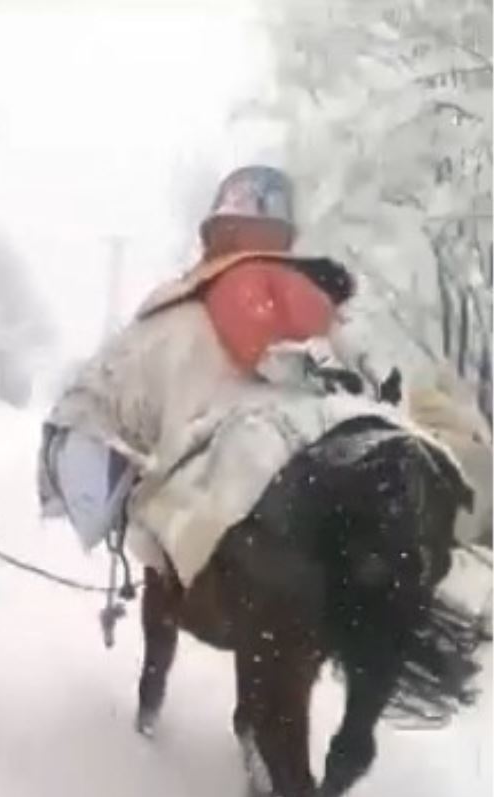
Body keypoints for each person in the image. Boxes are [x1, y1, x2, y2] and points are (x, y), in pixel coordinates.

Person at [39, 164, 406, 586]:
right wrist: (345, 377)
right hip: (298, 419)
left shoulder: (184, 307)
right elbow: (283, 344)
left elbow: (253, 342)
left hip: (210, 431)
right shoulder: (283, 290)